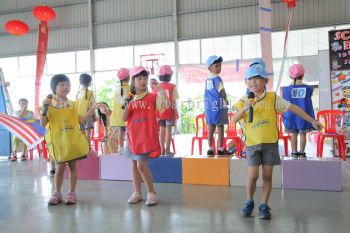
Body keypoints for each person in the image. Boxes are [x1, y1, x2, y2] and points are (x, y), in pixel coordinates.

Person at [232, 60, 321, 219]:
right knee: (253, 175)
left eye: (257, 78)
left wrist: (311, 120)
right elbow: (233, 119)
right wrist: (246, 107)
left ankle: (264, 205)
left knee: (267, 175)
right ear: (245, 82)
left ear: (265, 80)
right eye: (249, 79)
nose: (253, 81)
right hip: (252, 144)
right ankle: (249, 201)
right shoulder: (242, 101)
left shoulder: (273, 98)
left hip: (270, 143)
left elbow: (293, 108)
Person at [40, 74, 95, 205]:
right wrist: (44, 110)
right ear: (54, 87)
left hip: (72, 142)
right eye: (62, 84)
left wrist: (91, 110)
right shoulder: (48, 104)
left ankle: (72, 192)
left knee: (73, 167)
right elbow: (43, 123)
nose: (66, 87)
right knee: (59, 169)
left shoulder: (72, 104)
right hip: (58, 143)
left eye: (68, 84)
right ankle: (57, 193)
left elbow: (80, 120)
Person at [122, 66, 167, 206]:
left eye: (145, 78)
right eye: (139, 78)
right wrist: (126, 103)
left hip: (144, 137)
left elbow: (164, 105)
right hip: (131, 137)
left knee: (141, 165)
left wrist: (160, 90)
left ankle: (152, 192)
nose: (143, 81)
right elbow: (124, 118)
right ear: (133, 81)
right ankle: (137, 192)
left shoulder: (152, 97)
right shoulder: (129, 98)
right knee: (134, 164)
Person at [282, 64, 315, 159]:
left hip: (291, 115)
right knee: (303, 133)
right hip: (304, 115)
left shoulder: (286, 89)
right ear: (303, 75)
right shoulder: (309, 88)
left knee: (293, 134)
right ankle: (302, 152)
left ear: (290, 75)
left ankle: (294, 152)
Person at [204, 55, 230, 156]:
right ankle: (220, 149)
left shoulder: (207, 79)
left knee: (210, 128)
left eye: (220, 66)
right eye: (216, 66)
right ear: (209, 68)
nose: (219, 68)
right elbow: (222, 91)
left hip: (209, 107)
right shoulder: (217, 79)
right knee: (220, 128)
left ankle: (210, 149)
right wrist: (226, 100)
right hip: (219, 106)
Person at [158, 65, 179, 156]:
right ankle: (167, 150)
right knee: (168, 131)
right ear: (170, 76)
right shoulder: (172, 86)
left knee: (161, 131)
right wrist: (175, 114)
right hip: (169, 113)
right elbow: (174, 101)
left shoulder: (157, 87)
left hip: (160, 113)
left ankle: (162, 149)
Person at [110, 68, 130, 155]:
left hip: (118, 116)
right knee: (129, 133)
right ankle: (129, 148)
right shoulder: (129, 88)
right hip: (127, 115)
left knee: (121, 133)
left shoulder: (116, 88)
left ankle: (120, 149)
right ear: (128, 77)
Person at [76, 73, 97, 154]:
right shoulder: (90, 92)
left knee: (83, 134)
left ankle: (83, 150)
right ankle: (89, 150)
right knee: (88, 135)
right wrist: (95, 116)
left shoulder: (78, 92)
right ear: (88, 82)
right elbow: (93, 106)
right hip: (88, 115)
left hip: (80, 116)